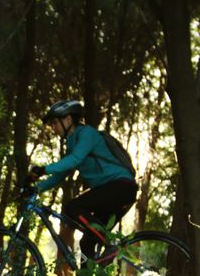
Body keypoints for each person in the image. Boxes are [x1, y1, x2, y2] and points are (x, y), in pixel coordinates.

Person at [28, 100, 138, 263]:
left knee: (73, 207)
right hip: (110, 192)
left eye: (54, 122)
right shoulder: (72, 143)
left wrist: (43, 169)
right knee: (86, 242)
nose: (53, 127)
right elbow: (60, 175)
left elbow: (75, 159)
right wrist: (36, 189)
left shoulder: (87, 134)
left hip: (120, 187)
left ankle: (109, 245)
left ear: (68, 119)